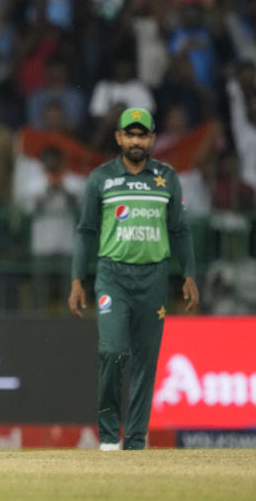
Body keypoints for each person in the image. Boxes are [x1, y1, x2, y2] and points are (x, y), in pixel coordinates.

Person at [68, 107, 200, 451]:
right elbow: (85, 231)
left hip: (154, 276)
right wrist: (76, 280)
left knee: (145, 359)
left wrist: (189, 274)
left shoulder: (167, 177)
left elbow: (180, 230)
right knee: (112, 351)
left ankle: (137, 440)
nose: (137, 141)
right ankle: (110, 437)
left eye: (143, 135)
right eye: (131, 134)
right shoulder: (101, 178)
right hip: (113, 275)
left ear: (152, 139)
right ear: (119, 138)